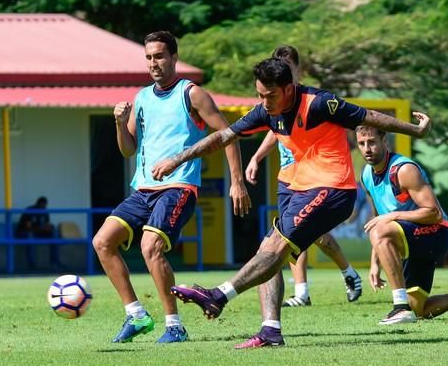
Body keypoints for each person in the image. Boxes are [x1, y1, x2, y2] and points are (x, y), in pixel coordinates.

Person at [153, 57, 431, 349]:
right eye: (260, 95)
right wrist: (178, 159)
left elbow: (369, 117)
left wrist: (415, 130)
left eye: (270, 95)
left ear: (289, 88)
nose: (265, 102)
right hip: (299, 187)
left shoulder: (321, 103)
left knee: (276, 246)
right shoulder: (265, 111)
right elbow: (224, 136)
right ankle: (271, 329)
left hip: (333, 188)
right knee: (269, 250)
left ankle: (218, 296)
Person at [91, 31, 251, 344]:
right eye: (149, 57)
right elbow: (128, 149)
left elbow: (227, 134)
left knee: (150, 246)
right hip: (143, 191)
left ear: (174, 58)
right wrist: (118, 123)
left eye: (160, 56)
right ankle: (137, 316)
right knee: (102, 242)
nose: (154, 63)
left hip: (178, 187)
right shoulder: (141, 98)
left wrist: (237, 181)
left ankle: (174, 325)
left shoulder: (191, 94)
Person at [245, 45, 362, 307]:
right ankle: (302, 292)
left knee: (313, 236)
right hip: (289, 176)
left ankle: (348, 271)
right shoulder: (274, 101)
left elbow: (346, 121)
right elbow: (272, 129)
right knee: (286, 236)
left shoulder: (313, 100)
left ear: (298, 70)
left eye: (287, 65)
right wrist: (256, 157)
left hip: (318, 176)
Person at [356, 125, 448, 324]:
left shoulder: (403, 170)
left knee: (382, 230)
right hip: (410, 237)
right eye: (361, 143)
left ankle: (400, 308)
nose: (367, 148)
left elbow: (434, 213)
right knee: (420, 309)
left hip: (436, 233)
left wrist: (393, 216)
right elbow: (380, 221)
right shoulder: (366, 175)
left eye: (372, 142)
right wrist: (375, 264)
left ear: (385, 141)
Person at [15, 196, 59, 269]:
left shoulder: (45, 212)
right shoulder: (30, 210)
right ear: (37, 204)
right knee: (30, 236)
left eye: (44, 205)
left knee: (53, 234)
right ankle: (31, 264)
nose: (43, 207)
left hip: (38, 232)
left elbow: (46, 225)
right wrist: (41, 229)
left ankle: (54, 262)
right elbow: (28, 227)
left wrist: (48, 228)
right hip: (23, 233)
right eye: (41, 205)